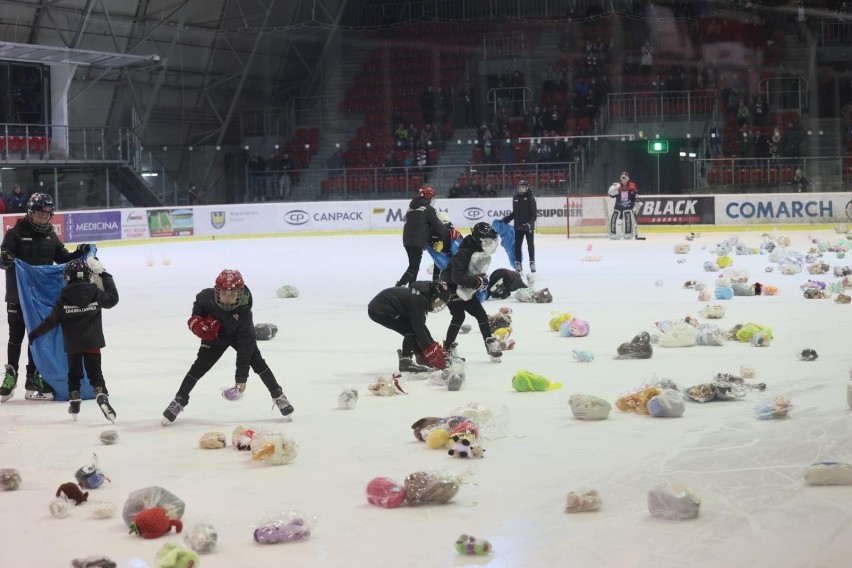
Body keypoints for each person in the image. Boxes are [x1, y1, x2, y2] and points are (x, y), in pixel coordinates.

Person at [161, 269, 294, 425]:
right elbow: (199, 304)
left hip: (239, 337)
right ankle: (179, 400)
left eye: (233, 294)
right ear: (217, 292)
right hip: (215, 336)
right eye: (224, 293)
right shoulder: (207, 296)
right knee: (198, 368)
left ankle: (278, 396)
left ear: (240, 293)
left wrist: (241, 379)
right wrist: (197, 319)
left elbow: (244, 350)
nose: (228, 298)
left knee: (258, 363)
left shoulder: (244, 314)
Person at [0, 193, 91, 402]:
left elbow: (62, 258)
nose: (42, 219)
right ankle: (11, 375)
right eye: (39, 214)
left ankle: (33, 376)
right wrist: (4, 258)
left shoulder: (51, 235)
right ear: (30, 213)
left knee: (38, 336)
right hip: (17, 295)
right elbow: (3, 255)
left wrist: (79, 252)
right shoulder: (15, 233)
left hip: (40, 298)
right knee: (16, 336)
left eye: (46, 215)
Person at [27, 258, 119, 422]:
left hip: (73, 344)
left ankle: (74, 398)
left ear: (68, 277)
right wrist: (104, 274)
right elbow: (113, 299)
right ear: (88, 275)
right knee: (95, 373)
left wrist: (35, 333)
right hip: (92, 343)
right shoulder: (96, 293)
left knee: (74, 374)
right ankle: (101, 394)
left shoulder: (64, 298)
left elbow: (51, 321)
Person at [441, 222, 503, 363]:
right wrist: (477, 282)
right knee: (458, 316)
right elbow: (456, 276)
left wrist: (482, 280)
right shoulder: (463, 252)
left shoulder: (479, 251)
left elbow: (475, 272)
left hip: (464, 287)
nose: (490, 245)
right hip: (450, 286)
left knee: (481, 315)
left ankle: (489, 343)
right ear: (478, 239)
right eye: (487, 241)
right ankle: (447, 350)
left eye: (492, 241)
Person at [368, 280, 450, 374]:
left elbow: (421, 326)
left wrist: (431, 345)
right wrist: (430, 351)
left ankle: (420, 356)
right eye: (439, 302)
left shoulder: (421, 295)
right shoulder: (419, 300)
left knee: (414, 329)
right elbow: (418, 328)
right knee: (411, 330)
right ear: (435, 296)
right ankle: (405, 362)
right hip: (380, 310)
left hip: (382, 307)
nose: (438, 306)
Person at [395, 185, 449, 287]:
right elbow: (438, 226)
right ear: (428, 197)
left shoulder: (411, 208)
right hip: (417, 241)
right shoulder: (428, 209)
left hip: (407, 240)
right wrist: (446, 233)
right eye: (432, 197)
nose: (432, 200)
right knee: (413, 267)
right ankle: (398, 288)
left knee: (413, 266)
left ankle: (411, 288)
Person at [501, 180, 538, 274]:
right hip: (518, 227)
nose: (521, 189)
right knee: (517, 245)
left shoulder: (531, 198)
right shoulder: (515, 198)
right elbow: (515, 213)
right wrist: (507, 219)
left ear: (527, 188)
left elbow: (534, 215)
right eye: (520, 187)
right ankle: (518, 263)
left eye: (523, 187)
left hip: (528, 227)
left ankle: (532, 262)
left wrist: (528, 225)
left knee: (530, 245)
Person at [608, 171, 639, 239]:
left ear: (628, 179)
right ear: (620, 179)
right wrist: (611, 191)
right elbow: (611, 195)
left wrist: (636, 203)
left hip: (628, 207)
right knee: (614, 220)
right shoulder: (617, 186)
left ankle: (628, 234)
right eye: (622, 179)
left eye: (625, 179)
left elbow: (636, 195)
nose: (623, 180)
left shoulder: (632, 186)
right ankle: (614, 234)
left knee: (628, 221)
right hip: (618, 207)